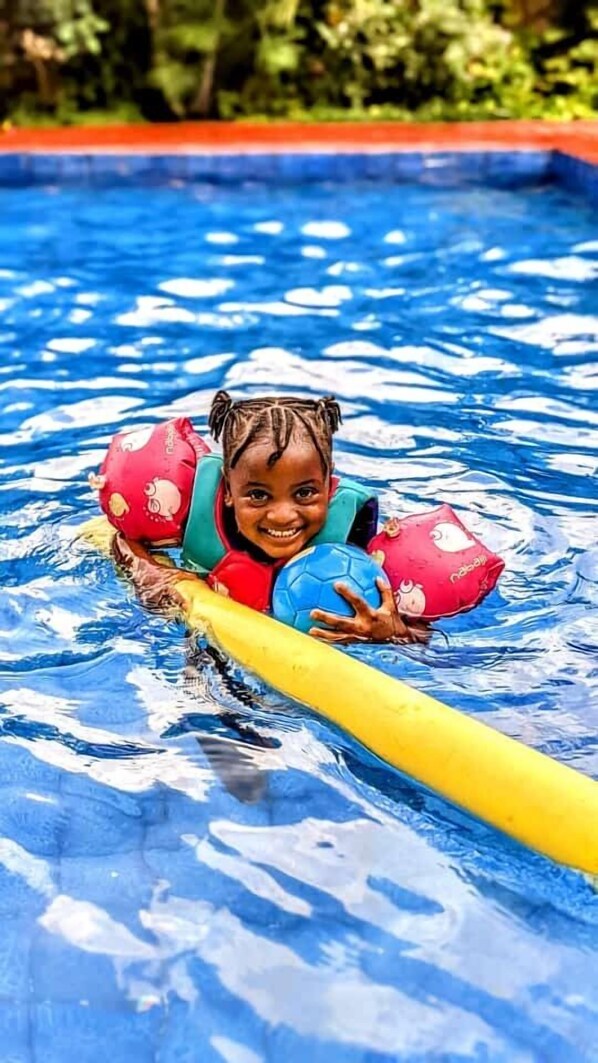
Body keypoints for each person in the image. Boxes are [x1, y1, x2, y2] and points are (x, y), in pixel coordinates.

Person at [102, 390, 428, 645]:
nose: (283, 515)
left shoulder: (351, 532)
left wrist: (391, 632)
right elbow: (122, 539)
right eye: (258, 495)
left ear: (329, 487)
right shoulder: (193, 513)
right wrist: (160, 576)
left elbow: (423, 637)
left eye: (304, 493)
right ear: (228, 491)